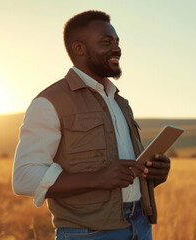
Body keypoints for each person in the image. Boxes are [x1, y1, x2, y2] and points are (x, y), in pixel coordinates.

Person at [12, 10, 171, 240]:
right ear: (79, 49)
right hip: (88, 232)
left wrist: (152, 174)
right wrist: (98, 179)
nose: (117, 49)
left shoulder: (120, 103)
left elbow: (123, 176)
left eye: (117, 42)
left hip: (141, 225)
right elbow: (24, 177)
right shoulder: (49, 102)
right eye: (106, 42)